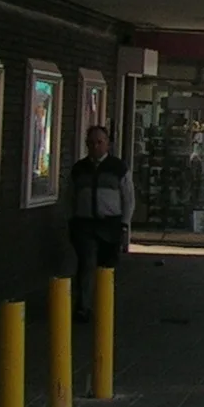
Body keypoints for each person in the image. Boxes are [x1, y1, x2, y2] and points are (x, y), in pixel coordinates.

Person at [67, 125, 132, 322]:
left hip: (110, 224)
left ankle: (104, 304)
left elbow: (128, 198)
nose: (95, 146)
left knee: (107, 265)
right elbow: (69, 196)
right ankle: (83, 306)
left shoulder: (118, 168)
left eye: (100, 142)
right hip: (84, 224)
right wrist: (70, 218)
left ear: (108, 144)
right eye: (91, 143)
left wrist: (124, 224)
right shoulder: (79, 169)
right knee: (86, 263)